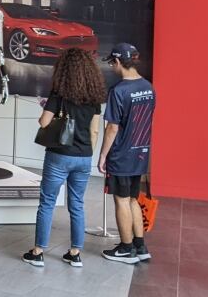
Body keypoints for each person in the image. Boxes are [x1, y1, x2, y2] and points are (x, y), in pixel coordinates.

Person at [23, 48, 106, 268]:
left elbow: (43, 122)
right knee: (77, 204)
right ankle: (75, 253)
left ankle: (38, 251)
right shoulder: (94, 99)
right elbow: (95, 131)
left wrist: (47, 108)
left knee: (47, 203)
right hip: (83, 157)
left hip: (59, 156)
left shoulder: (58, 94)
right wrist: (87, 151)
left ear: (63, 70)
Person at [98, 43, 156, 264]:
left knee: (121, 201)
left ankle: (125, 248)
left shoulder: (119, 91)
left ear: (118, 62)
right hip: (141, 153)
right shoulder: (149, 87)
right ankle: (140, 247)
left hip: (122, 155)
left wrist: (103, 156)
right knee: (132, 199)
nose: (112, 67)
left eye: (112, 63)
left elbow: (112, 127)